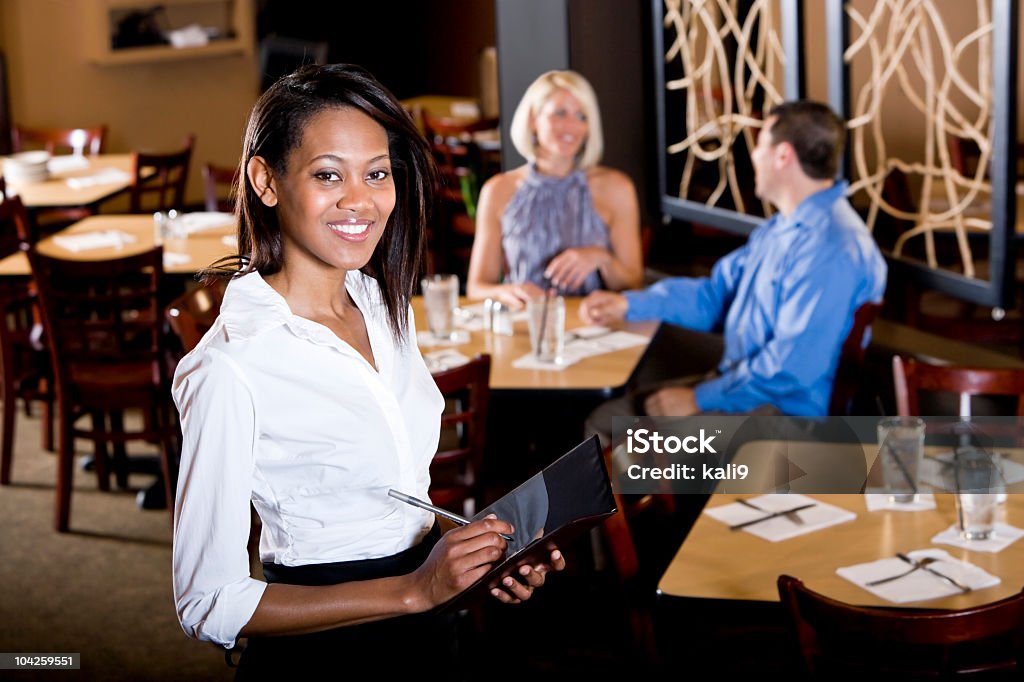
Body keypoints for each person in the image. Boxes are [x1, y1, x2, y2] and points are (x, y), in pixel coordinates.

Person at [171, 64, 565, 678]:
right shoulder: (230, 366)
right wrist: (415, 591)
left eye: (376, 174)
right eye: (328, 175)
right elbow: (208, 603)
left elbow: (391, 490)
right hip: (327, 654)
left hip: (431, 632)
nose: (360, 200)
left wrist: (472, 548)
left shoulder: (378, 302)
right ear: (265, 181)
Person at [581, 100, 887, 433]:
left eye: (759, 145)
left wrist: (699, 399)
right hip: (740, 392)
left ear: (783, 155)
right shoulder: (778, 230)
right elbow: (714, 296)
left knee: (614, 435)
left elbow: (791, 369)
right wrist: (629, 303)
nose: (753, 156)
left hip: (783, 419)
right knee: (607, 424)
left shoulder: (834, 247)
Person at [466, 70, 644, 308]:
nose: (572, 126)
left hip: (594, 329)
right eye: (560, 113)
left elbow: (634, 285)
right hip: (525, 328)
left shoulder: (617, 188)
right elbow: (476, 288)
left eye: (582, 116)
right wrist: (506, 292)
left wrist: (602, 258)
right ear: (532, 119)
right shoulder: (498, 190)